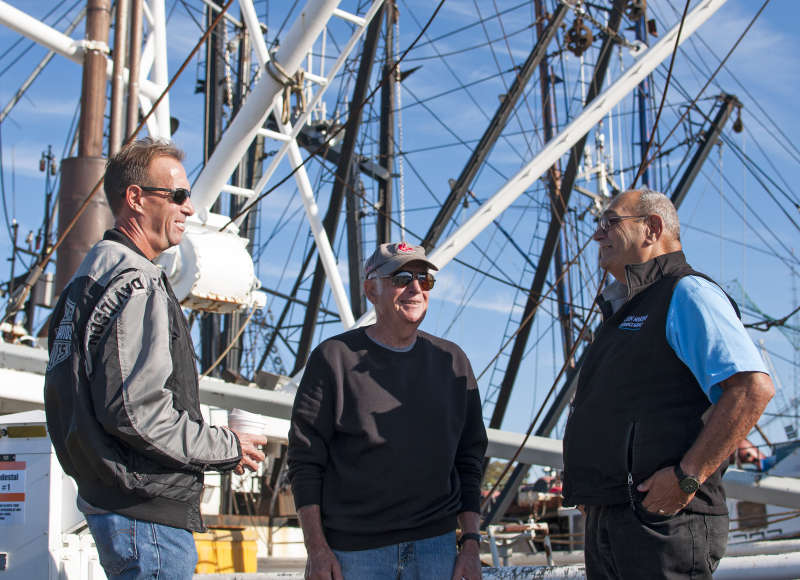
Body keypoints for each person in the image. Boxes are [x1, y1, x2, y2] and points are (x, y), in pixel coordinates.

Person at [44, 138, 267, 579]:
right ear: (135, 198)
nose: (189, 209)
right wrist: (226, 447)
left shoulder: (83, 282)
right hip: (145, 515)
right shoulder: (137, 283)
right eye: (179, 196)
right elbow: (137, 412)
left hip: (107, 501)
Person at [562, 188, 774, 579]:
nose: (597, 235)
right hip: (614, 519)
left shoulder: (686, 293)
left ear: (652, 228)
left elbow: (750, 389)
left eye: (610, 222)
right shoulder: (623, 312)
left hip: (661, 522)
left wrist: (686, 476)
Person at [288, 241, 488, 580]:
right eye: (401, 278)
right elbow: (305, 461)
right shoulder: (333, 358)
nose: (415, 288)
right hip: (355, 554)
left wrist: (470, 543)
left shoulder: (453, 362)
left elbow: (469, 459)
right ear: (371, 289)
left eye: (424, 280)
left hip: (436, 549)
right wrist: (317, 549)